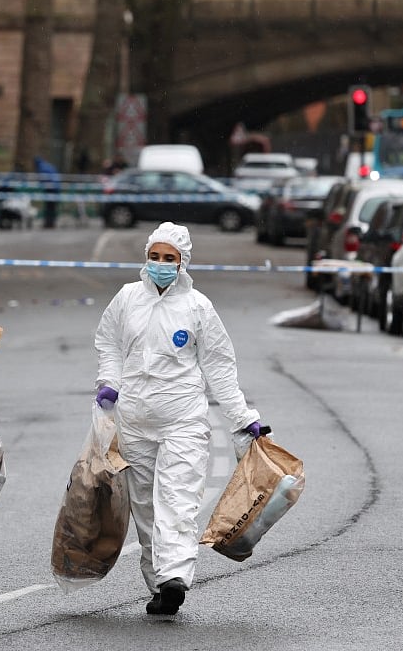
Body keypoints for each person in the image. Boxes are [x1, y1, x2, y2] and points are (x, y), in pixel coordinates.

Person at [93, 221, 264, 617]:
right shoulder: (126, 299)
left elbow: (219, 367)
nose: (160, 264)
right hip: (135, 421)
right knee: (146, 508)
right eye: (155, 257)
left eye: (169, 259)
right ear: (146, 258)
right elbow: (108, 343)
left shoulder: (198, 307)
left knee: (178, 500)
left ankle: (175, 578)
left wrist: (242, 417)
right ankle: (160, 586)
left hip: (182, 421)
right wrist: (109, 382)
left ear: (183, 263)